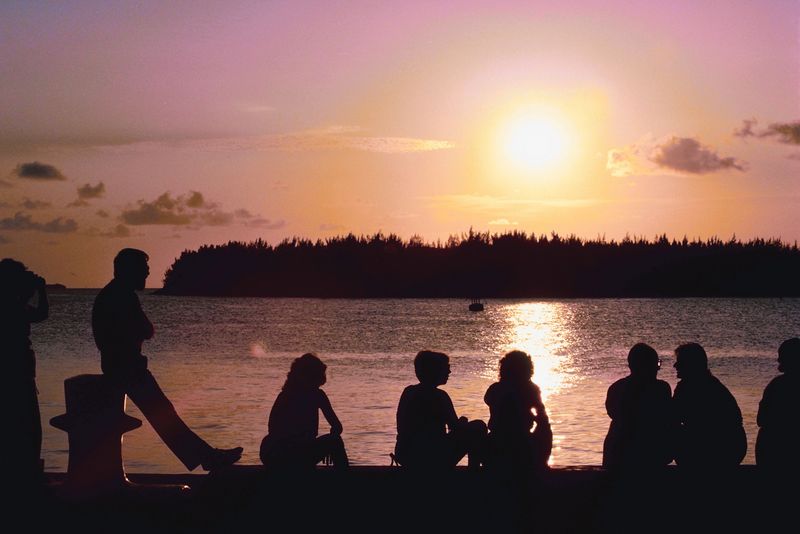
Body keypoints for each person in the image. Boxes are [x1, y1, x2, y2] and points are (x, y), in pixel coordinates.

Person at [92, 248, 242, 471]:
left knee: (163, 413)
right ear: (130, 271)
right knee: (163, 414)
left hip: (120, 367)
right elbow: (145, 330)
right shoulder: (123, 296)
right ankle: (207, 457)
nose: (147, 275)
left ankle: (205, 456)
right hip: (127, 369)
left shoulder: (112, 294)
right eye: (143, 271)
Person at [394, 350, 487, 469]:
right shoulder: (439, 396)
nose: (449, 371)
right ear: (435, 371)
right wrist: (463, 421)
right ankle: (474, 472)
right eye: (446, 368)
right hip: (432, 456)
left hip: (405, 455)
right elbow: (455, 427)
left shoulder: (408, 392)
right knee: (479, 427)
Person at [0, 258, 48, 480]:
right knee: (27, 423)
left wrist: (39, 291)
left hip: (20, 370)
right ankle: (25, 471)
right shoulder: (10, 305)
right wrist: (37, 290)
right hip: (16, 372)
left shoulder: (13, 302)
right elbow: (33, 314)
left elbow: (40, 315)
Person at [259, 353, 348, 469]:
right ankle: (345, 482)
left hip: (271, 454)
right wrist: (330, 443)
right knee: (335, 441)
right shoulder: (317, 395)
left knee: (330, 442)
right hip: (287, 453)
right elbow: (337, 427)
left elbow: (272, 428)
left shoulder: (285, 395)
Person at [672, 342, 746, 469]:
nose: (675, 365)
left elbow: (672, 418)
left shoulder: (686, 388)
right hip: (734, 450)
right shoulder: (715, 385)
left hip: (715, 450)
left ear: (691, 364)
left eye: (680, 362)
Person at [602, 343, 674, 470]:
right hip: (649, 456)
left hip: (617, 455)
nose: (658, 368)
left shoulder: (616, 388)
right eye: (656, 364)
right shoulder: (661, 389)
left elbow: (612, 413)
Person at [483, 350, 552, 472]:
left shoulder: (495, 388)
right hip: (521, 442)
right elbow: (542, 418)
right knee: (546, 428)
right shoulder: (531, 389)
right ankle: (542, 465)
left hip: (495, 441)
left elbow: (490, 402)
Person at [756, 338, 800, 469]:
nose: (778, 360)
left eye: (781, 357)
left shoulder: (776, 385)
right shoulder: (776, 385)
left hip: (773, 451)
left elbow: (761, 419)